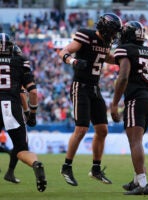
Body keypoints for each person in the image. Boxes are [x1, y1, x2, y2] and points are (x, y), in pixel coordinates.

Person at [59, 13, 122, 186]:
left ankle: (95, 169)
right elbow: (64, 51)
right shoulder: (86, 35)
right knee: (81, 129)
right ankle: (66, 166)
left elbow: (106, 57)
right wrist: (72, 61)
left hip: (95, 88)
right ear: (105, 28)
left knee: (102, 130)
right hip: (81, 86)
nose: (115, 35)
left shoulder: (105, 42)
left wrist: (123, 60)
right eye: (113, 31)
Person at [111, 21, 148, 195]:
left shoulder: (126, 50)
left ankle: (142, 184)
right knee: (137, 141)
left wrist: (115, 103)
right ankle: (137, 180)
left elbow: (123, 77)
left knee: (135, 142)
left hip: (136, 98)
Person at [0, 32, 47, 192]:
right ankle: (35, 163)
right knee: (21, 148)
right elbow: (32, 92)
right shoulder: (20, 61)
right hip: (10, 107)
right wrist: (31, 113)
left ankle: (10, 173)